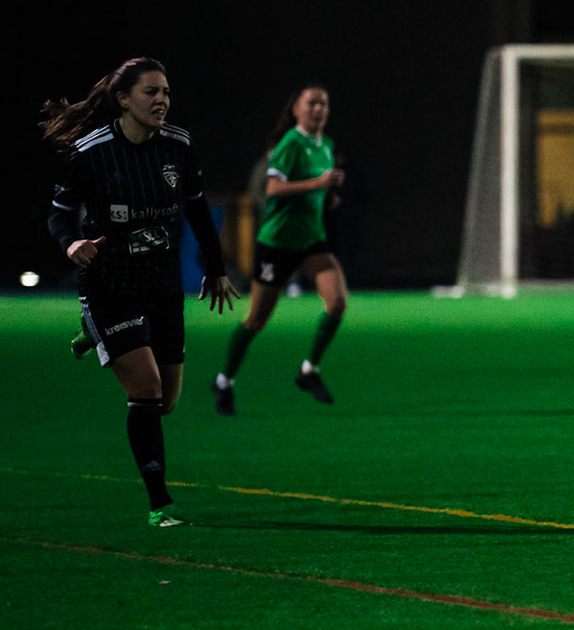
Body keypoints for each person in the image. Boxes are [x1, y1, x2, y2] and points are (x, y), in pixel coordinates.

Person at [42, 57, 237, 527]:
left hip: (162, 284)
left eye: (166, 92)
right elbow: (58, 214)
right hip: (110, 284)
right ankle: (159, 504)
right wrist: (71, 244)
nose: (162, 100)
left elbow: (195, 209)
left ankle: (94, 333)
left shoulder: (178, 146)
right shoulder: (90, 152)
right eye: (151, 92)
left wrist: (216, 268)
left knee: (166, 402)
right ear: (123, 99)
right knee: (145, 388)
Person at [212, 86, 349, 413]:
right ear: (296, 110)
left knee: (338, 302)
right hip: (277, 244)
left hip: (311, 241)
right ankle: (225, 380)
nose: (319, 108)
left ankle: (308, 371)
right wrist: (319, 185)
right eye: (312, 102)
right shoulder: (290, 143)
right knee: (257, 320)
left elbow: (313, 189)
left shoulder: (326, 146)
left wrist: (326, 197)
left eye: (324, 103)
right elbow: (273, 188)